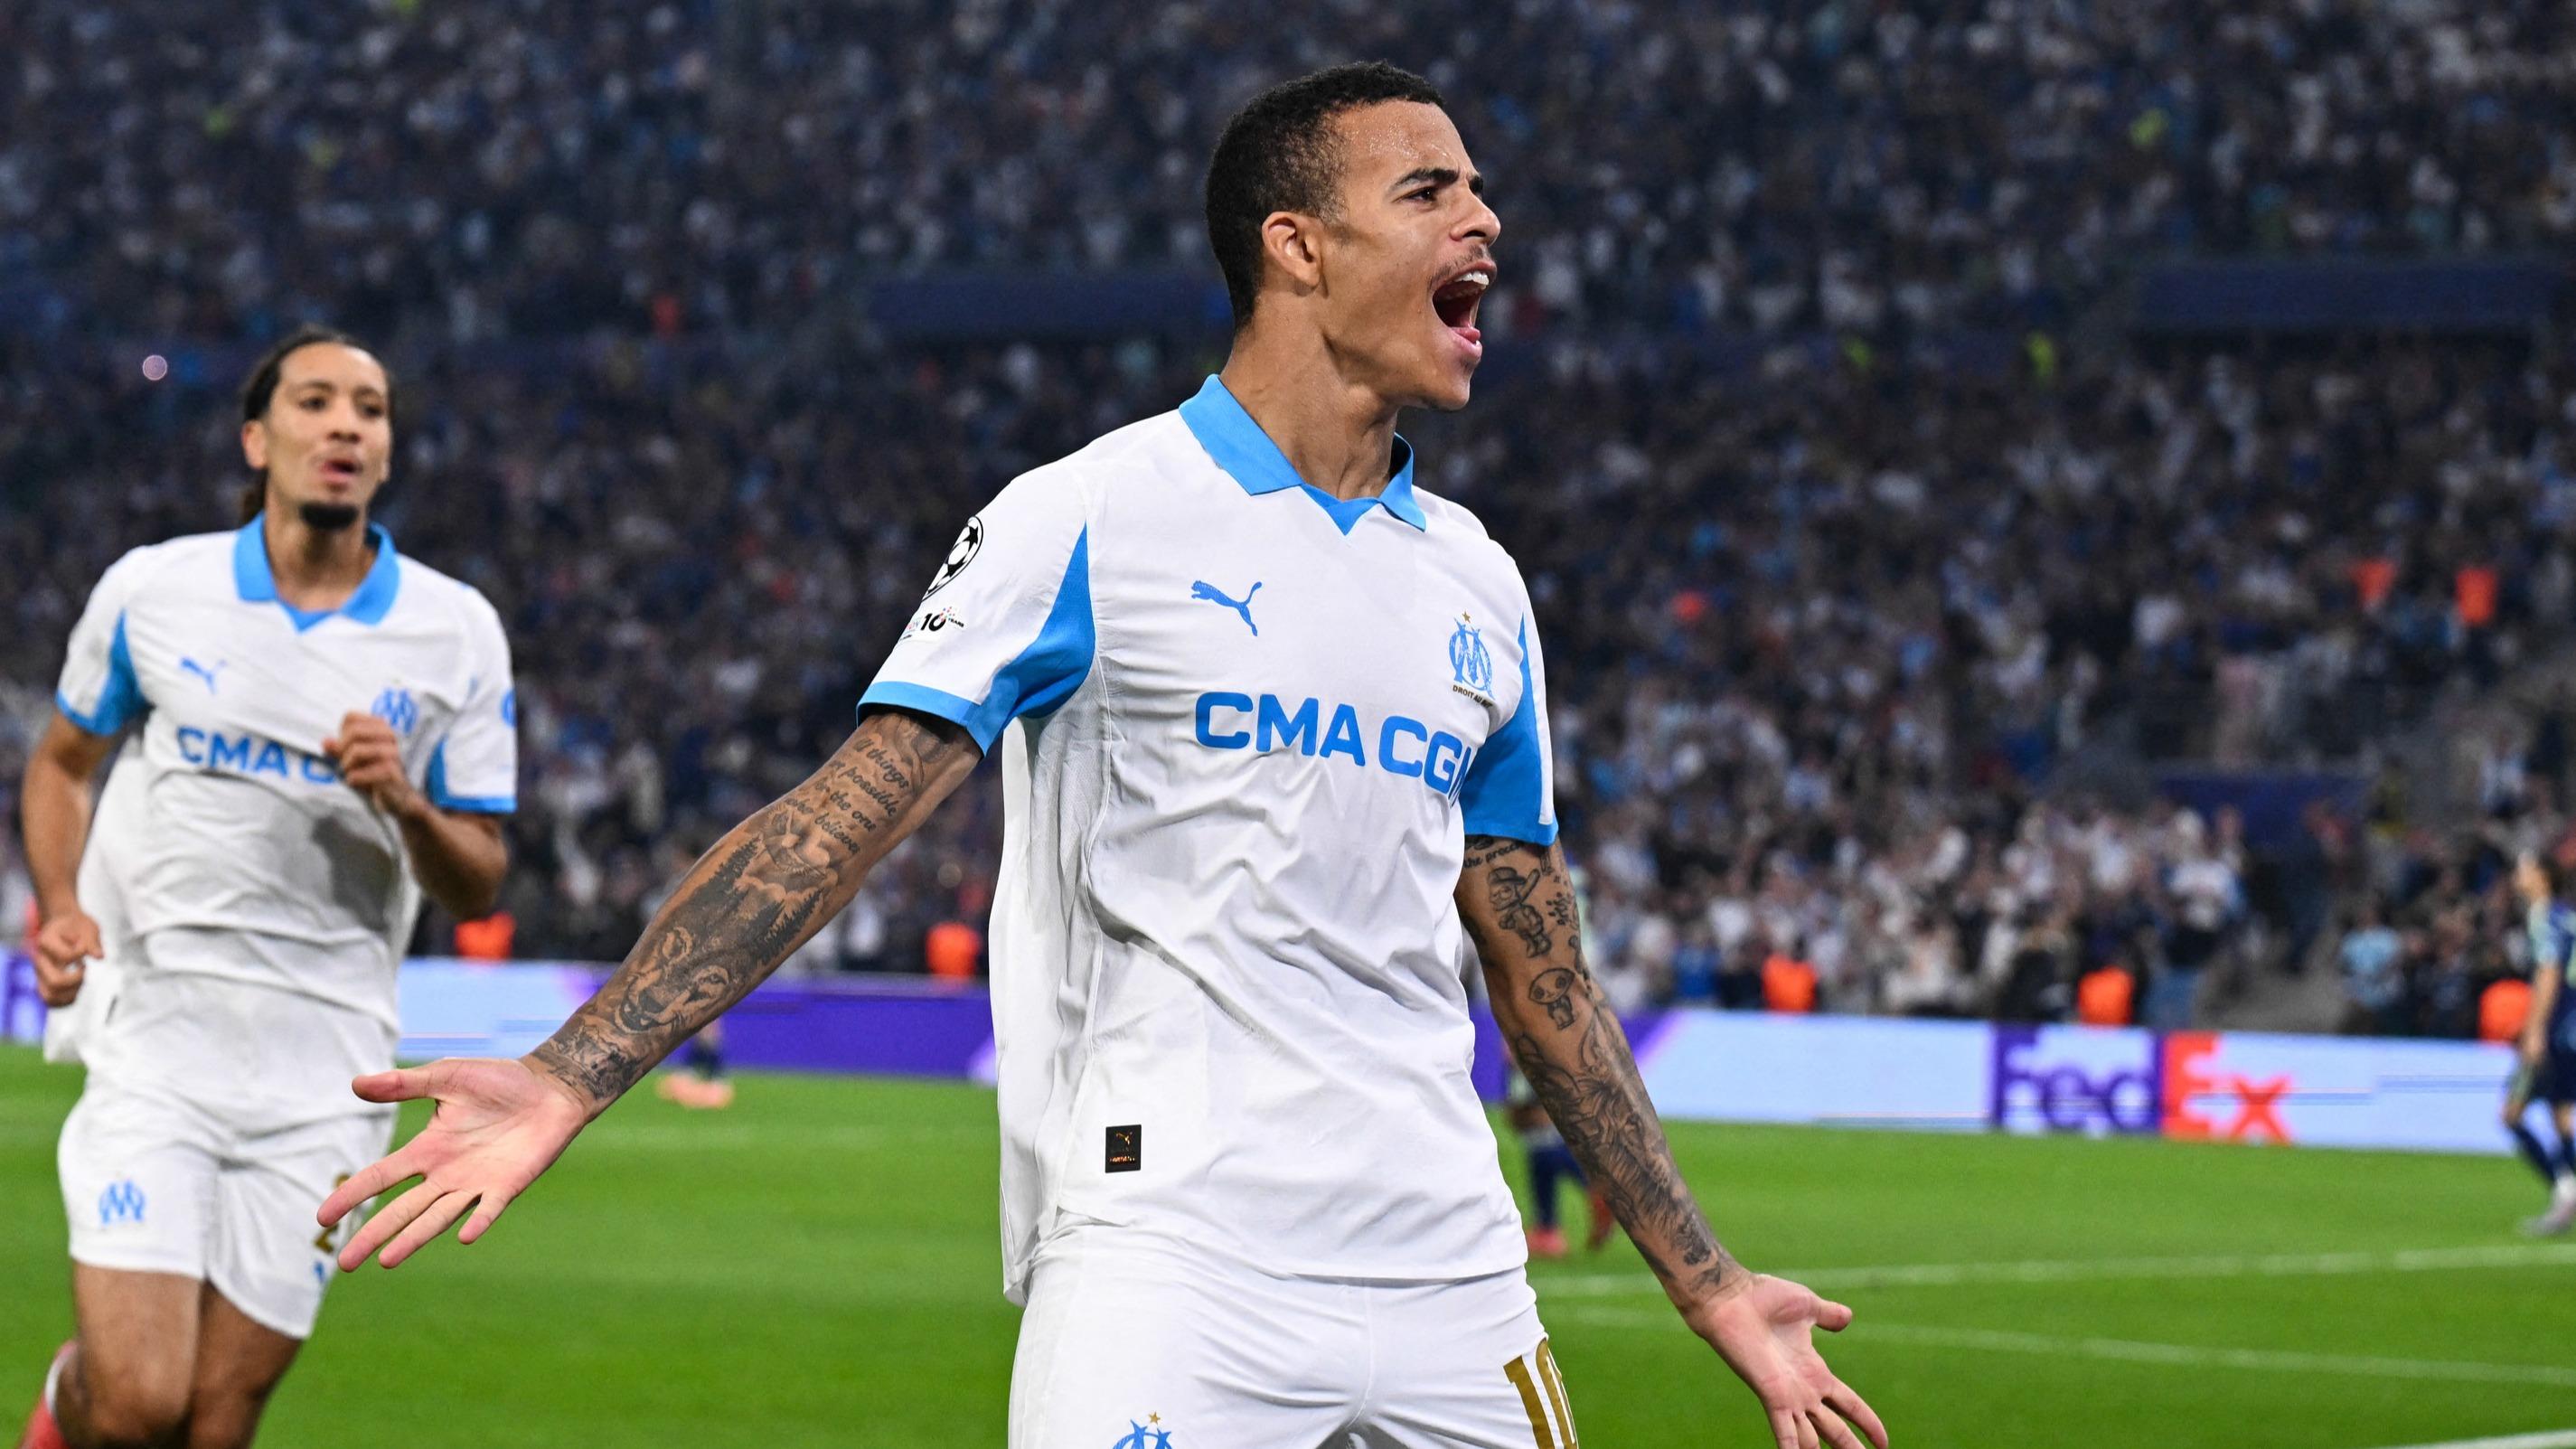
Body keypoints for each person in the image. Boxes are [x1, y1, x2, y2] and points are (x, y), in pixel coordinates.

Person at [318, 64, 1885, 1449]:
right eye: (1430, 189)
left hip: (1453, 1263)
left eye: (1477, 187)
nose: (1485, 218)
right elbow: (844, 815)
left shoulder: (1478, 582)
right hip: (1172, 1251)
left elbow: (1540, 964)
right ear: (1297, 245)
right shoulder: (1087, 515)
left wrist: (1708, 1280)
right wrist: (572, 1071)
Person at [14, 326, 517, 1449]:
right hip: (158, 1035)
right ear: (258, 438)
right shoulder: (156, 590)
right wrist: (61, 903)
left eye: (370, 410)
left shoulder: (457, 632)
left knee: (214, 1420)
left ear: (386, 452)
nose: (345, 426)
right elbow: (62, 762)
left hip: (328, 1070)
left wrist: (407, 802)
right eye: (316, 401)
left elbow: (479, 880)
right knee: (135, 1401)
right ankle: (66, 1401)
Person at [2505, 854, 2576, 1236]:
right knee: (2560, 1113)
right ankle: (2566, 1195)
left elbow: (2549, 973)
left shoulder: (2544, 916)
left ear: (2543, 878)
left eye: (2525, 869)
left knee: (2513, 1113)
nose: (2518, 875)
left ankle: (2565, 1193)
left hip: (2556, 1029)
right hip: (2570, 1026)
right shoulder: (2567, 915)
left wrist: (2534, 1030)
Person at [1506, 1067, 1614, 1260]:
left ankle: (1548, 1230)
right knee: (1547, 1166)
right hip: (1556, 1134)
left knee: (1544, 1162)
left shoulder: (1522, 1070)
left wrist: (1518, 1117)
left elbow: (1524, 1113)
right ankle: (1549, 1227)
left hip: (1545, 1137)